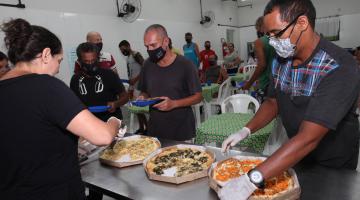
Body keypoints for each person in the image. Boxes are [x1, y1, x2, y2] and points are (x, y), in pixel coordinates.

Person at [219, 0, 360, 199]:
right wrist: (246, 130)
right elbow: (273, 101)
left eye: (277, 33)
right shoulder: (281, 59)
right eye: (268, 35)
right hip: (295, 154)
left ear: (302, 23)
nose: (273, 41)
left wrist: (251, 179)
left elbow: (308, 137)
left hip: (332, 162)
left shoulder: (338, 67)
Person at [0, 18, 122, 200]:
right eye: (59, 60)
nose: (57, 69)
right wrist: (114, 122)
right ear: (46, 54)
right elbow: (103, 136)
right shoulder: (46, 86)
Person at [140, 24, 202, 141]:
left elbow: (198, 97)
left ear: (166, 41)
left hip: (182, 130)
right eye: (147, 47)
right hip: (155, 130)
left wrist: (174, 104)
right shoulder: (147, 65)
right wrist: (143, 97)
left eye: (153, 45)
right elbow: (145, 91)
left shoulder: (185, 65)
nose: (150, 50)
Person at [70, 42, 128, 122]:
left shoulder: (109, 74)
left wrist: (115, 104)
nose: (90, 64)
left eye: (93, 60)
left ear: (98, 58)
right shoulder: (75, 80)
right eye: (86, 61)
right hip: (88, 122)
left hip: (111, 121)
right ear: (79, 61)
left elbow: (125, 97)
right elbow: (73, 104)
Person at [242, 16, 276, 103]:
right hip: (279, 84)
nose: (258, 32)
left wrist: (249, 83)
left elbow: (262, 65)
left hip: (266, 84)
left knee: (264, 113)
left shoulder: (259, 42)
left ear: (262, 26)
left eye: (258, 29)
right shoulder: (279, 39)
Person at [119, 40, 148, 134]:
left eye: (124, 49)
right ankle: (142, 128)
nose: (123, 52)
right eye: (121, 50)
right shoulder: (128, 58)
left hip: (140, 86)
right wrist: (130, 88)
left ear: (128, 46)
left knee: (140, 109)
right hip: (133, 86)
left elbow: (145, 67)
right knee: (136, 110)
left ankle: (147, 128)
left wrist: (135, 79)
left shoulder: (136, 54)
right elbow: (130, 74)